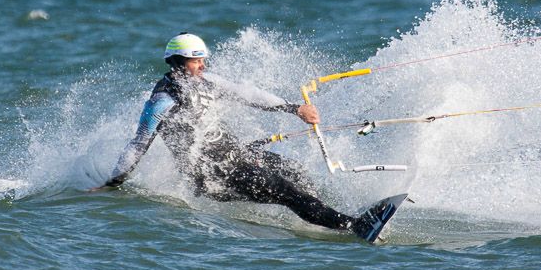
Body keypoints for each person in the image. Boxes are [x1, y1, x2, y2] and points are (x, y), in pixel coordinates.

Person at [98, 32, 396, 241]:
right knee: (285, 190)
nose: (203, 65)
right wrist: (111, 184)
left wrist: (294, 109)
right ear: (177, 61)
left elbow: (248, 94)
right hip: (212, 175)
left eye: (204, 59)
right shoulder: (161, 101)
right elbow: (138, 145)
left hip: (235, 157)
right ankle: (352, 226)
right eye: (196, 60)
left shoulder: (206, 82)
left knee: (293, 170)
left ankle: (324, 218)